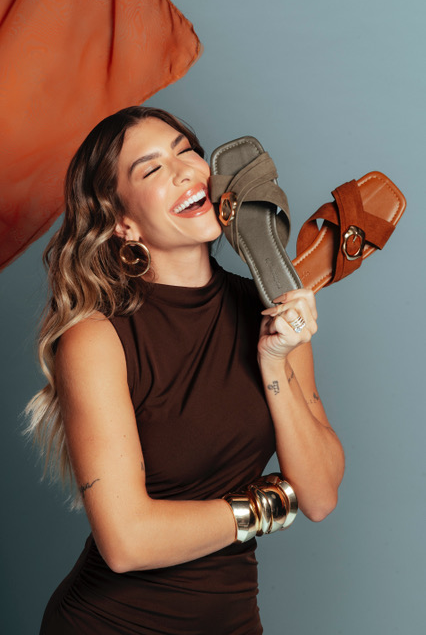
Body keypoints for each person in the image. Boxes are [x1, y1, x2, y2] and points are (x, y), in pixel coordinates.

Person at [26, 105, 345, 634]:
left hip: (233, 621)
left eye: (186, 151)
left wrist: (274, 361)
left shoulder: (272, 309)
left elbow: (318, 494)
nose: (183, 171)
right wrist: (266, 503)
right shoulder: (96, 339)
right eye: (151, 169)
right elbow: (128, 542)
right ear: (123, 223)